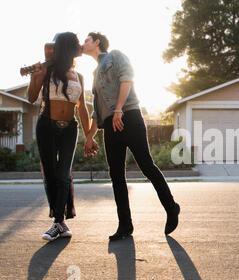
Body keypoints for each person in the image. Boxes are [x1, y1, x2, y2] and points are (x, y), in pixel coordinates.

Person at [82, 32, 180, 241]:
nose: (83, 44)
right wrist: (89, 137)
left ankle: (171, 207)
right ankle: (125, 226)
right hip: (110, 125)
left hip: (129, 116)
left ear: (97, 42)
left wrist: (119, 110)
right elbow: (97, 111)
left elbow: (127, 78)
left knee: (146, 165)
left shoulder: (115, 56)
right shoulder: (95, 72)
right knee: (116, 175)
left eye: (86, 40)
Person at [28, 32, 93, 241]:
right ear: (68, 48)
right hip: (46, 125)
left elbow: (82, 109)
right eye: (75, 44)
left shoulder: (80, 76)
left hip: (70, 128)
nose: (79, 47)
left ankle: (57, 221)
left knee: (64, 172)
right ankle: (60, 222)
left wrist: (89, 136)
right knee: (50, 172)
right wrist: (34, 77)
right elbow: (31, 98)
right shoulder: (47, 71)